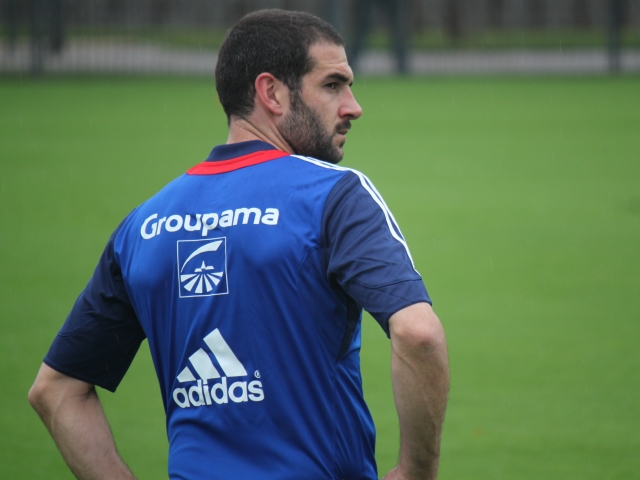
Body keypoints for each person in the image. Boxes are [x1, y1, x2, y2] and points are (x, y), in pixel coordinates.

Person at [28, 9, 449, 480]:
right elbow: (418, 334)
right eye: (333, 85)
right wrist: (416, 471)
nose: (353, 107)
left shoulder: (143, 225)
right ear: (271, 93)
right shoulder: (333, 196)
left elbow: (56, 390)